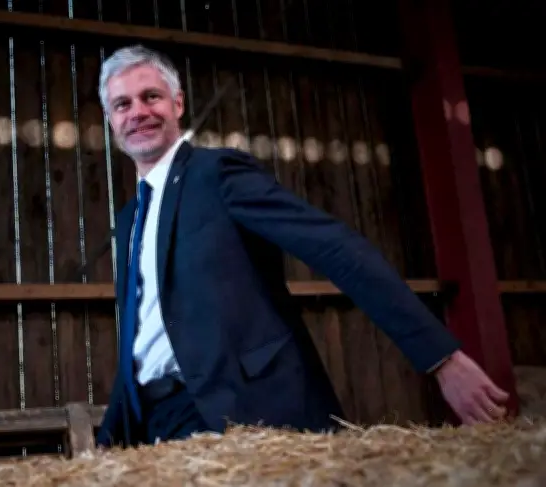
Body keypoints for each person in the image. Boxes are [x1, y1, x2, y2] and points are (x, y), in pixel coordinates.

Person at [94, 44, 510, 449]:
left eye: (151, 97)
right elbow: (142, 340)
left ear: (178, 104)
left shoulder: (216, 174)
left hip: (234, 414)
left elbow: (335, 247)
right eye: (123, 104)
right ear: (111, 119)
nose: (138, 113)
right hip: (154, 424)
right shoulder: (131, 217)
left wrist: (440, 358)